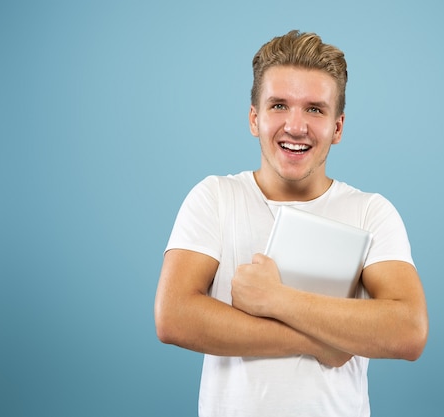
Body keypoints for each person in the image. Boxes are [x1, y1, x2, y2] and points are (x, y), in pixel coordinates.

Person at [154, 30, 428, 417]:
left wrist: (276, 299)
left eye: (315, 109)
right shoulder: (215, 198)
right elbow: (173, 316)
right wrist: (322, 343)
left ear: (338, 127)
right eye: (279, 105)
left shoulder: (371, 212)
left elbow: (408, 330)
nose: (295, 126)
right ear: (254, 118)